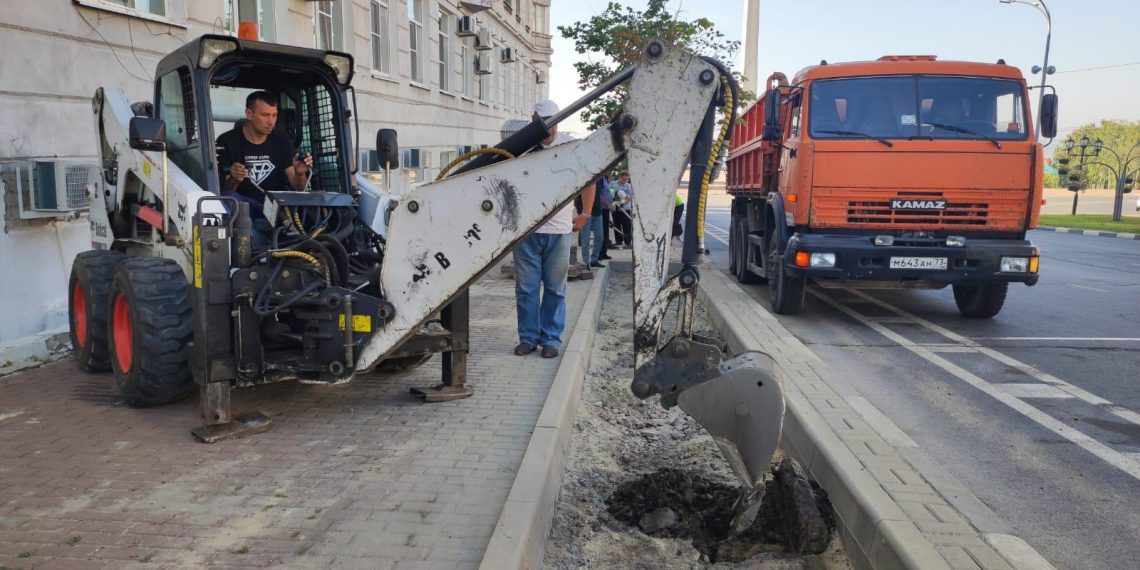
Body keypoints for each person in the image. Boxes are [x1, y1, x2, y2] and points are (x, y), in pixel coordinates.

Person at [513, 99, 595, 359]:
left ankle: (551, 339)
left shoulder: (571, 145)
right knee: (526, 289)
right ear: (534, 120)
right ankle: (528, 338)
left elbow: (588, 179)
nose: (551, 128)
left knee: (555, 289)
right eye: (544, 122)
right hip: (526, 231)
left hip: (558, 230)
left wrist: (585, 213)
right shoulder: (522, 146)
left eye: (553, 122)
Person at [216, 90, 313, 247]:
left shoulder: (281, 140)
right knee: (229, 199)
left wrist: (300, 173)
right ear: (249, 113)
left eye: (274, 115)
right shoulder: (227, 141)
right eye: (265, 115)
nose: (271, 121)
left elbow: (297, 187)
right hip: (245, 208)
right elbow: (224, 192)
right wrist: (234, 179)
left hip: (277, 207)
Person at [580, 175, 608, 268]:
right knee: (586, 238)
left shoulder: (600, 178)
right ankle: (586, 261)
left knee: (600, 236)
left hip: (597, 211)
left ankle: (594, 259)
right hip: (584, 212)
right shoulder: (583, 176)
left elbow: (602, 193)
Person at [611, 171, 633, 248]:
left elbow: (629, 197)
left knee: (627, 225)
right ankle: (618, 241)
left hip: (625, 208)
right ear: (620, 177)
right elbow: (611, 195)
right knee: (616, 224)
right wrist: (613, 205)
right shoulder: (613, 184)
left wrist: (623, 203)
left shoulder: (629, 186)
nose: (625, 181)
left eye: (626, 179)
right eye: (624, 179)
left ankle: (628, 242)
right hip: (615, 208)